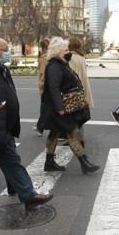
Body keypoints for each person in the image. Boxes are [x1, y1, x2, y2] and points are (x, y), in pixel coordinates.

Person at [0, 37, 53, 222]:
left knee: (13, 165)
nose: (8, 53)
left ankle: (28, 196)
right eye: (5, 50)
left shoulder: (2, 70)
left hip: (4, 128)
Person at [41, 37, 100, 174]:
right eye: (66, 50)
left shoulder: (61, 63)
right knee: (72, 132)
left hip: (59, 106)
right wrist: (60, 108)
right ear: (57, 51)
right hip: (59, 107)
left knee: (54, 133)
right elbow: (54, 88)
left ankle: (49, 162)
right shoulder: (54, 66)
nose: (69, 52)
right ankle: (85, 163)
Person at [67, 37, 94, 142]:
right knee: (79, 113)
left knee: (73, 114)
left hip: (74, 88)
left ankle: (76, 138)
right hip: (83, 86)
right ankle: (76, 137)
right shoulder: (82, 57)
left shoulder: (70, 58)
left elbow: (69, 74)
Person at [35, 38, 50, 136]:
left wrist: (41, 85)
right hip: (51, 85)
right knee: (47, 107)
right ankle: (40, 126)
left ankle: (40, 127)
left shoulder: (44, 58)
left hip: (46, 85)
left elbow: (43, 73)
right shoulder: (51, 57)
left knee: (45, 107)